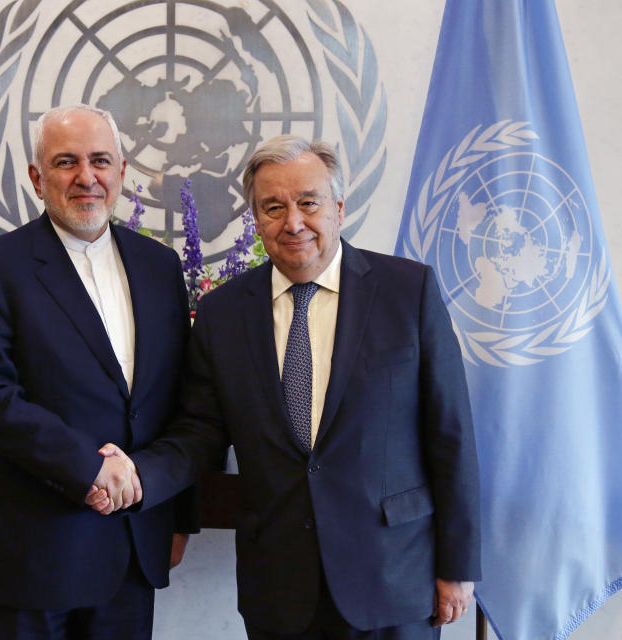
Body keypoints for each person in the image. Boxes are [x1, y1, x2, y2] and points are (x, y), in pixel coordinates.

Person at [95, 135, 481, 639]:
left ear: (339, 208)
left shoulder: (409, 293)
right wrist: (137, 472)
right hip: (279, 584)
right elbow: (200, 434)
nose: (292, 222)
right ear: (255, 221)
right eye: (273, 207)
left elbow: (450, 435)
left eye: (308, 203)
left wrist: (458, 565)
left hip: (392, 577)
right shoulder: (222, 314)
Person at [0, 104, 196, 640]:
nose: (87, 177)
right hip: (25, 555)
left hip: (131, 546)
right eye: (66, 162)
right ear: (38, 179)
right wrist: (88, 468)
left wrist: (176, 515)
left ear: (123, 173)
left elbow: (182, 400)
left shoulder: (161, 267)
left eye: (101, 160)